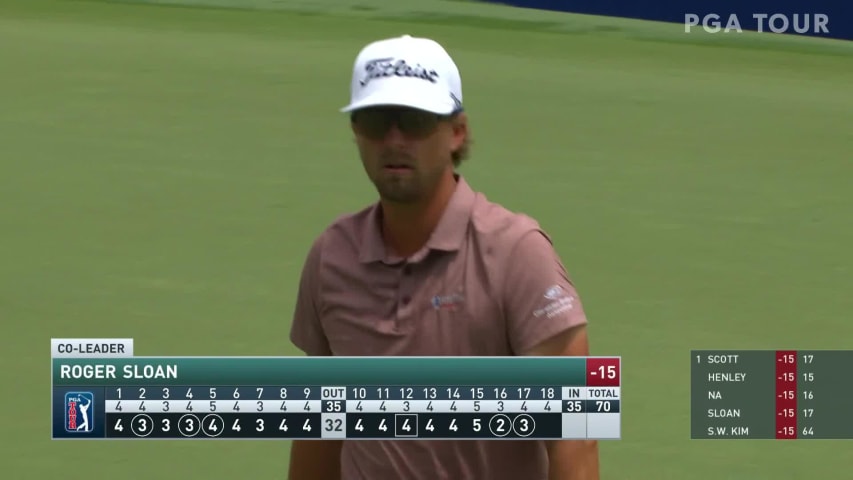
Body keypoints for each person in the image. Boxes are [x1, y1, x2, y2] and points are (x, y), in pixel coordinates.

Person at [288, 34, 599, 480]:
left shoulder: (518, 252)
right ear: (356, 132)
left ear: (457, 132)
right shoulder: (332, 256)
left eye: (414, 121)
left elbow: (577, 435)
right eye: (375, 122)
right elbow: (321, 424)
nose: (394, 140)